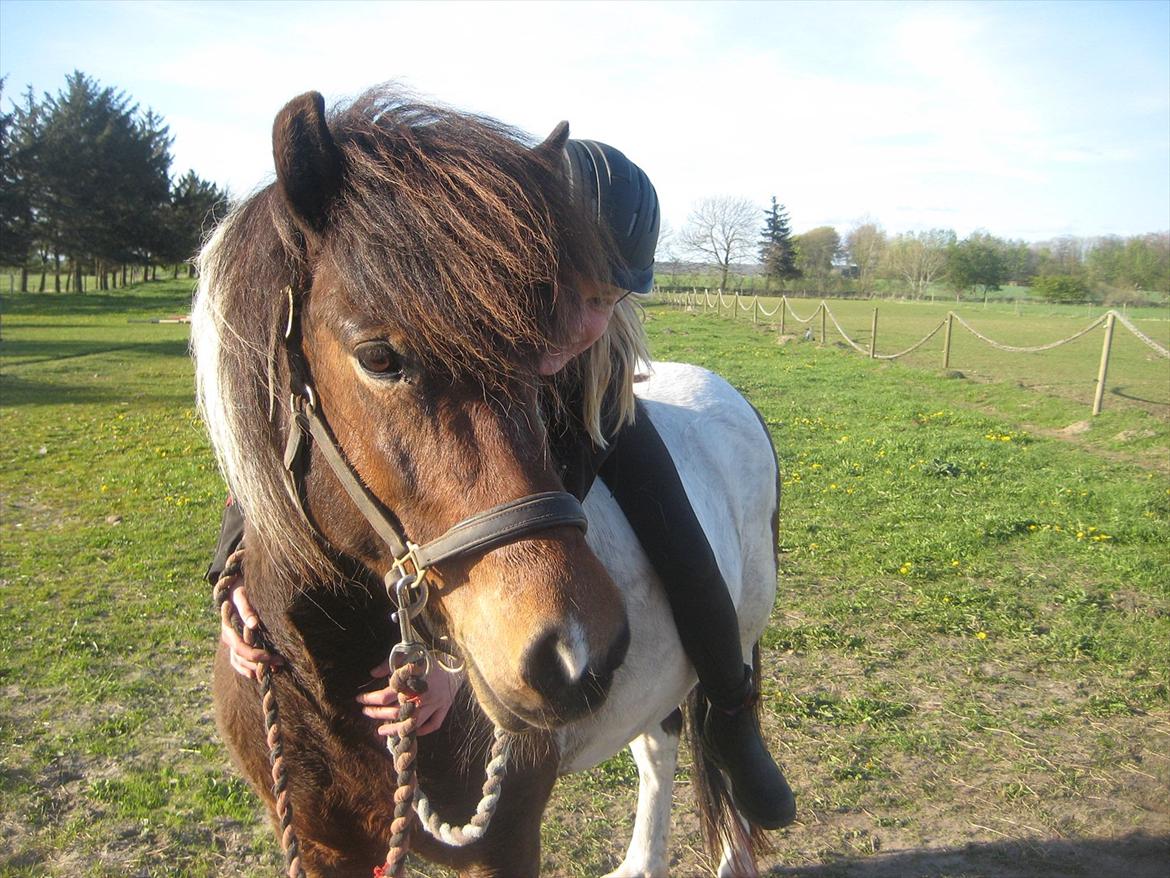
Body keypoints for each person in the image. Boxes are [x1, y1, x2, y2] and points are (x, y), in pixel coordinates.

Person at [210, 138, 796, 829]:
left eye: (606, 299)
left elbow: (530, 519)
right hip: (508, 398)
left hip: (594, 413)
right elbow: (296, 434)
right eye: (565, 291)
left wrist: (452, 663)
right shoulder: (477, 326)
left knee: (685, 546)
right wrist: (229, 567)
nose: (583, 320)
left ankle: (730, 712)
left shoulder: (593, 360)